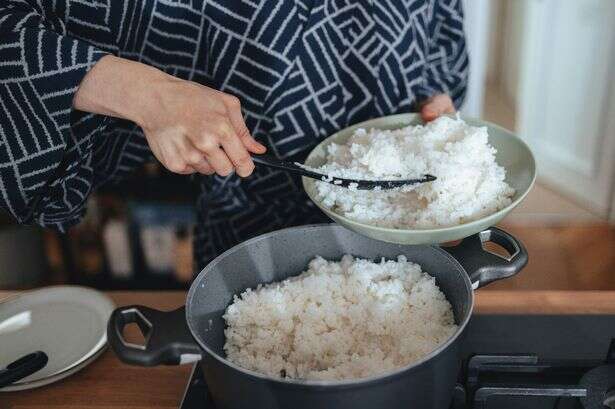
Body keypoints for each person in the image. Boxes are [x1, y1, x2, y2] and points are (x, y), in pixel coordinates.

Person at [0, 0, 468, 269]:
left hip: (406, 205)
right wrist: (146, 94)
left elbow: (435, 29)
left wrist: (433, 99)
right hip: (248, 219)